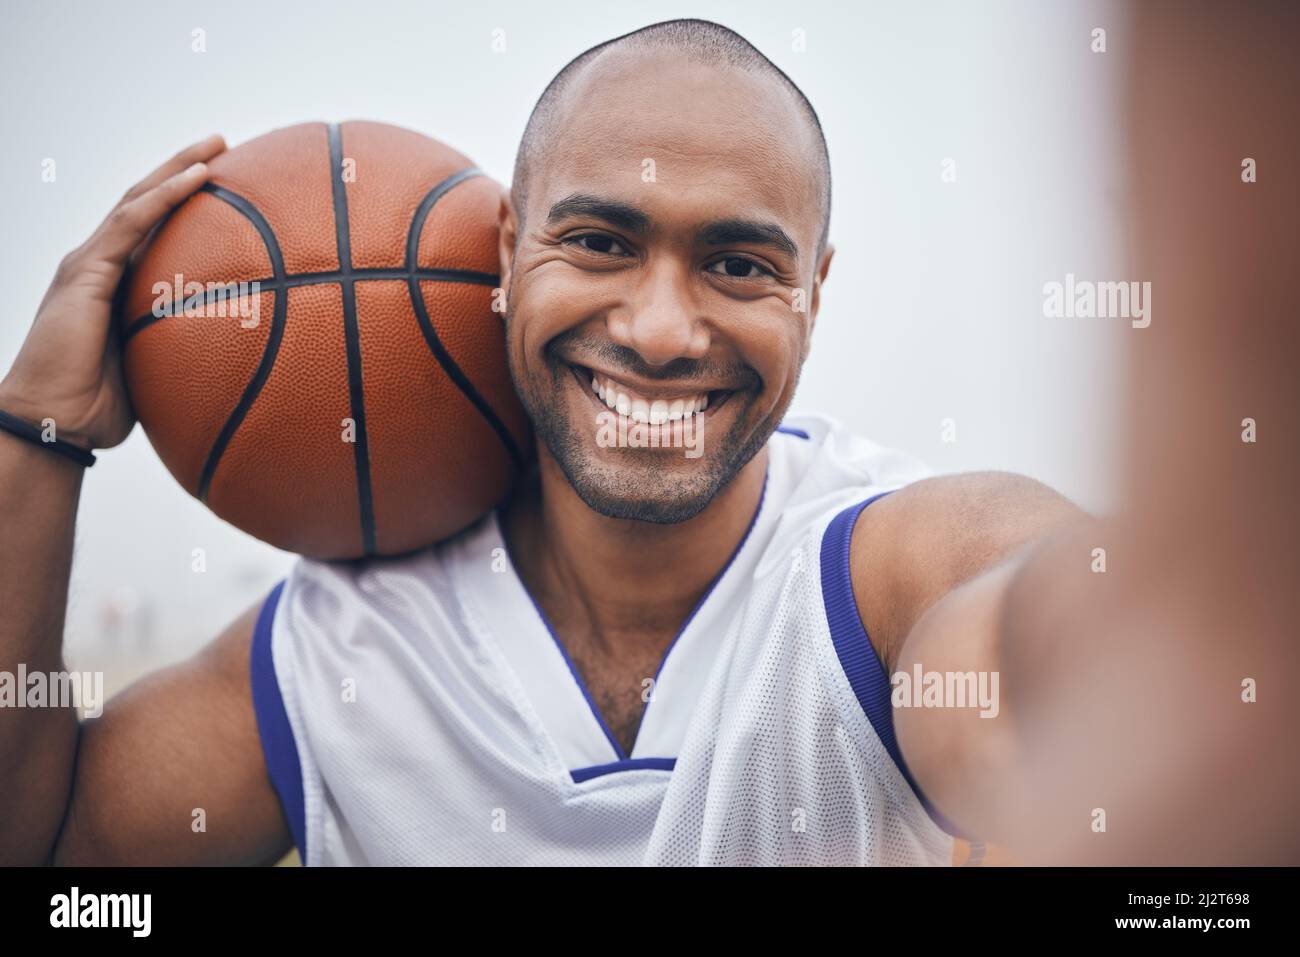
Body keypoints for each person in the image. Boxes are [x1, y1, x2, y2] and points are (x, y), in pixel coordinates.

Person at [2, 15, 1294, 866]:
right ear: (506, 250)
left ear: (813, 294)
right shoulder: (350, 641)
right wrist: (33, 434)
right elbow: (43, 845)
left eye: (738, 262)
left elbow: (1063, 647)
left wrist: (1166, 662)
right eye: (601, 242)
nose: (665, 328)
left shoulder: (881, 572)